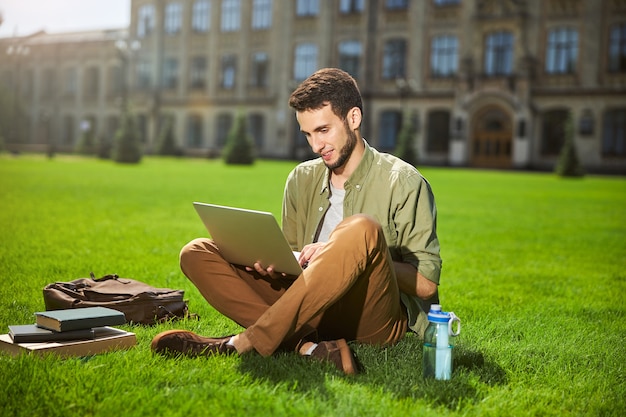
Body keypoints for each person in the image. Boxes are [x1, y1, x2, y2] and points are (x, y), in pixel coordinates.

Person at [151, 68, 442, 375]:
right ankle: (308, 347)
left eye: (324, 130)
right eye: (308, 134)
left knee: (361, 228)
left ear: (353, 119)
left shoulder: (404, 181)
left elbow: (425, 285)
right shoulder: (301, 178)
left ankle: (242, 343)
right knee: (196, 252)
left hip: (372, 317)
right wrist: (271, 264)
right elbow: (293, 264)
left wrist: (350, 254)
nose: (316, 146)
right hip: (309, 308)